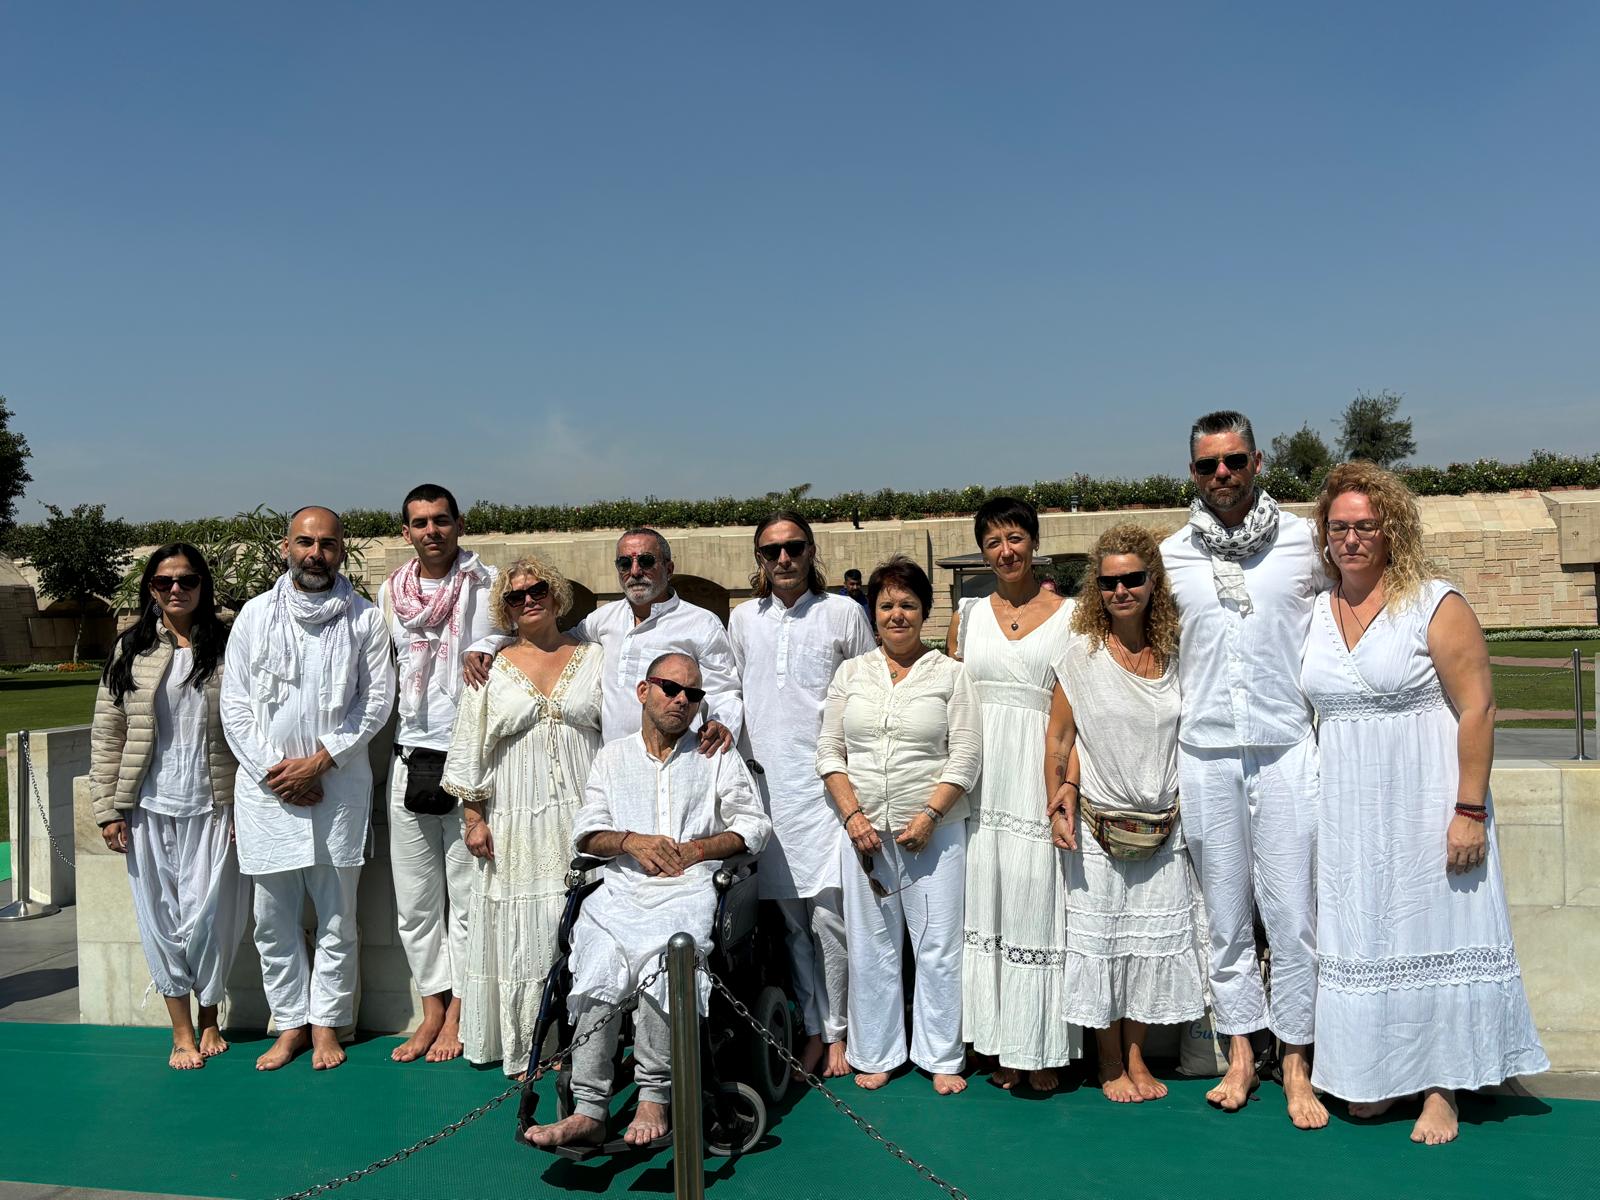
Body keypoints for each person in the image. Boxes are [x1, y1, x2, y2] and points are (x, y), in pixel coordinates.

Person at [1302, 463, 1547, 1144]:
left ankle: (1443, 1088)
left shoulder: (1434, 602)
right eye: (1340, 527)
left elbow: (1479, 708)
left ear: (1390, 530)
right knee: (1366, 934)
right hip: (1350, 812)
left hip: (1428, 802)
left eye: (1365, 527)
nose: (1351, 539)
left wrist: (1469, 810)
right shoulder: (1315, 615)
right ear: (1325, 536)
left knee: (1436, 931)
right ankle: (1375, 1075)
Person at [522, 652, 770, 1150]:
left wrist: (698, 849)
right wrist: (631, 840)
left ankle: (655, 1097)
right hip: (620, 891)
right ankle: (590, 1109)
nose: (683, 701)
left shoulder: (715, 754)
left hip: (687, 890)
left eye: (693, 694)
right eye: (671, 688)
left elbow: (754, 827)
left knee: (667, 956)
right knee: (596, 959)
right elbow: (585, 834)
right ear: (642, 692)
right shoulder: (612, 757)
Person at [1160, 410, 1329, 1128]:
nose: (1221, 475)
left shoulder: (1306, 543)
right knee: (1224, 921)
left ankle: (1296, 1063)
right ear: (1192, 473)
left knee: (1293, 919)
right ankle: (1239, 1054)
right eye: (1207, 466)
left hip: (1286, 748)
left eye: (1233, 461)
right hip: (1204, 753)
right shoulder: (1171, 556)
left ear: (1258, 463)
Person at [221, 506, 395, 1071]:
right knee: (272, 921)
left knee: (338, 919)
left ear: (342, 550)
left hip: (337, 790)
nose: (315, 552)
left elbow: (375, 703)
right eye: (304, 541)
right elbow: (236, 707)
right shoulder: (253, 616)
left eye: (326, 543)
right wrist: (282, 774)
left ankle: (326, 1026)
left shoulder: (364, 619)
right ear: (285, 547)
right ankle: (290, 1024)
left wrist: (321, 761)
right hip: (268, 792)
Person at [1046, 524, 1206, 1102]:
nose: (1120, 591)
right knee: (1103, 944)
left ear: (1152, 582)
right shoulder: (1080, 657)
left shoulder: (1176, 654)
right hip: (1097, 825)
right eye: (1109, 581)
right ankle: (1108, 1061)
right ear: (1097, 588)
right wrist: (1056, 802)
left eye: (1132, 579)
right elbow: (1059, 744)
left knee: (1146, 950)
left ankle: (1138, 1056)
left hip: (1165, 827)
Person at [818, 557, 982, 1096]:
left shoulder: (951, 674)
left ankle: (940, 1055)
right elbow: (830, 751)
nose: (896, 614)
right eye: (886, 604)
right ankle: (877, 1051)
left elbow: (965, 756)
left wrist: (932, 813)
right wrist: (853, 815)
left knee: (936, 945)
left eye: (908, 605)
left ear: (924, 613)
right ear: (873, 612)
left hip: (933, 834)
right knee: (872, 945)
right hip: (864, 834)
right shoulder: (851, 673)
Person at [442, 555, 604, 1079]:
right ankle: (536, 1047)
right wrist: (473, 818)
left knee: (589, 926)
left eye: (538, 590)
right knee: (527, 932)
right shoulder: (488, 670)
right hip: (516, 819)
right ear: (505, 609)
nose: (529, 599)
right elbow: (470, 748)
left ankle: (595, 1044)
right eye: (516, 595)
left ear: (556, 594)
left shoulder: (597, 657)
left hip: (586, 813)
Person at [89, 543, 249, 1070]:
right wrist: (108, 807)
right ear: (150, 589)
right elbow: (108, 733)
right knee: (160, 918)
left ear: (203, 584)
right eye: (163, 582)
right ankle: (181, 1031)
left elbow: (253, 723)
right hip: (148, 806)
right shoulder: (129, 648)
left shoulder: (231, 644)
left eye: (186, 580)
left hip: (215, 803)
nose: (175, 589)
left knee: (209, 918)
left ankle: (210, 1016)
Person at [730, 511, 875, 1078]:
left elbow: (866, 696)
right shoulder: (742, 620)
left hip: (828, 792)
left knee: (832, 920)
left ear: (812, 551)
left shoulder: (843, 612)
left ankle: (843, 1032)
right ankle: (815, 1029)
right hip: (768, 791)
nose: (783, 559)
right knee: (789, 924)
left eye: (793, 547)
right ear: (759, 561)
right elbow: (731, 697)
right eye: (771, 551)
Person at [947, 497, 1077, 1092]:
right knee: (987, 905)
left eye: (1016, 537)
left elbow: (1073, 716)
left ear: (1034, 542)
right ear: (982, 552)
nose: (1006, 551)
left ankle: (1041, 1051)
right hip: (980, 778)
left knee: (1034, 903)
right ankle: (1000, 1047)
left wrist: (1064, 785)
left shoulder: (1073, 615)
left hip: (1035, 774)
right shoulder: (967, 614)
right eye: (994, 541)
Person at [377, 483, 503, 1065]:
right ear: (406, 531)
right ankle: (432, 1006)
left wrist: (490, 644)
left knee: (470, 898)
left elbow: (516, 633)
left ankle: (460, 1011)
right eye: (420, 522)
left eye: (441, 520)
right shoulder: (391, 593)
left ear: (458, 525)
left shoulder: (487, 584)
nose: (432, 531)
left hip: (470, 762)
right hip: (409, 758)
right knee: (417, 902)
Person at [570, 527, 742, 752]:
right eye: (624, 563)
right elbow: (560, 645)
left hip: (680, 758)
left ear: (669, 569)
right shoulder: (603, 618)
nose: (635, 571)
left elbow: (724, 690)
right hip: (615, 760)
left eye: (646, 561)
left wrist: (722, 723)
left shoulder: (701, 623)